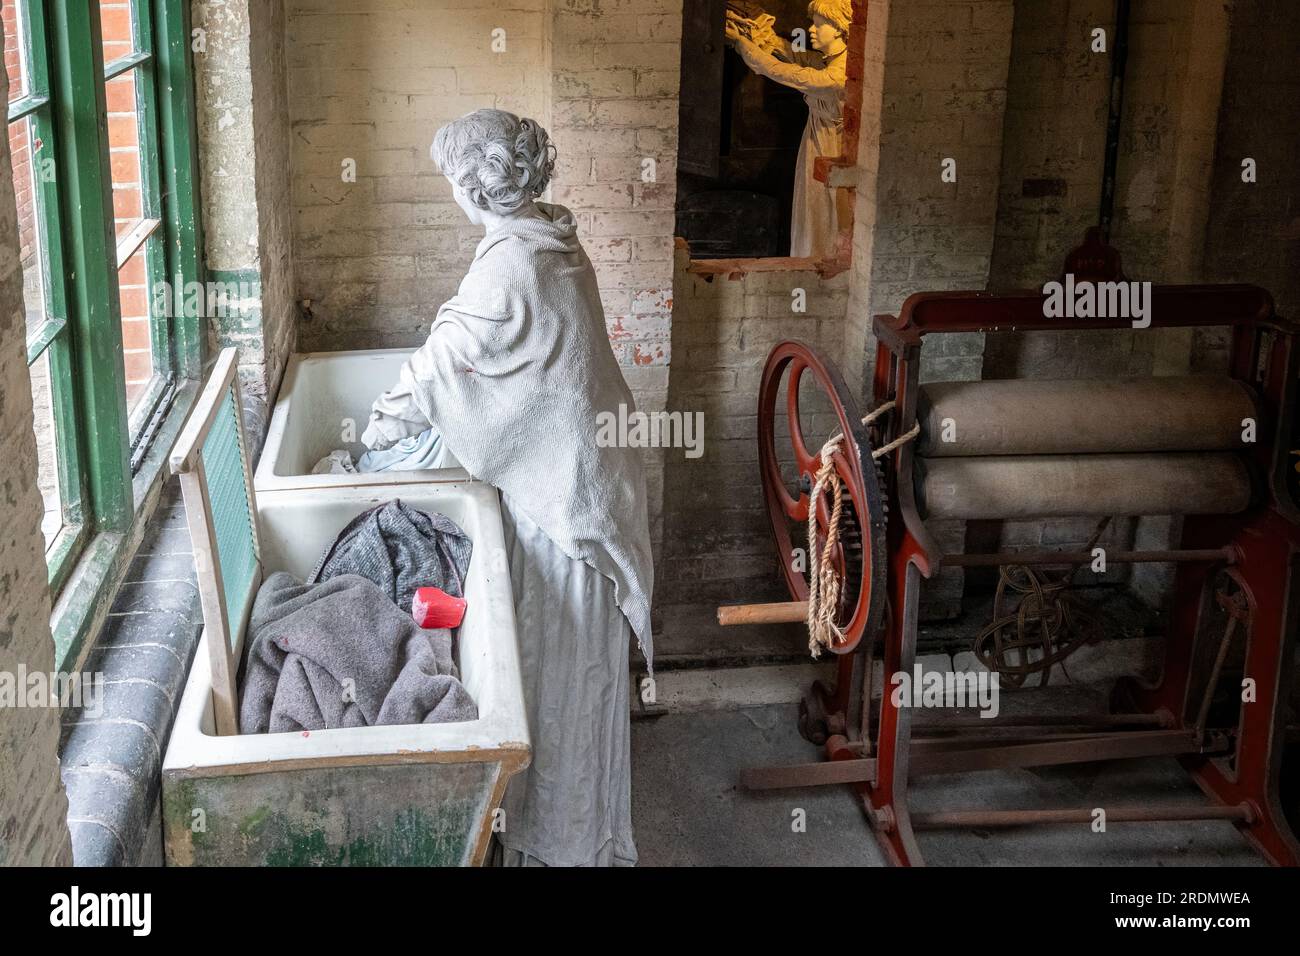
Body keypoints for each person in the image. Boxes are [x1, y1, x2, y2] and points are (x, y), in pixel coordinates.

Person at [360, 109, 654, 866]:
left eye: (450, 183)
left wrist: (371, 439)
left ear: (471, 185)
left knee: (559, 691)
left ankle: (562, 847)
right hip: (593, 486)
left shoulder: (510, 267)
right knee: (577, 686)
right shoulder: (552, 236)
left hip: (568, 513)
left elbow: (440, 364)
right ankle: (580, 837)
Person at [725, 0, 852, 259]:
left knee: (822, 207)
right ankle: (811, 254)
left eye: (818, 25)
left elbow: (783, 71)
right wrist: (761, 35)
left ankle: (821, 257)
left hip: (830, 144)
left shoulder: (838, 75)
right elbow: (792, 55)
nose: (811, 30)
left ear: (838, 29)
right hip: (817, 136)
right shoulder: (831, 60)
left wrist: (743, 45)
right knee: (813, 203)